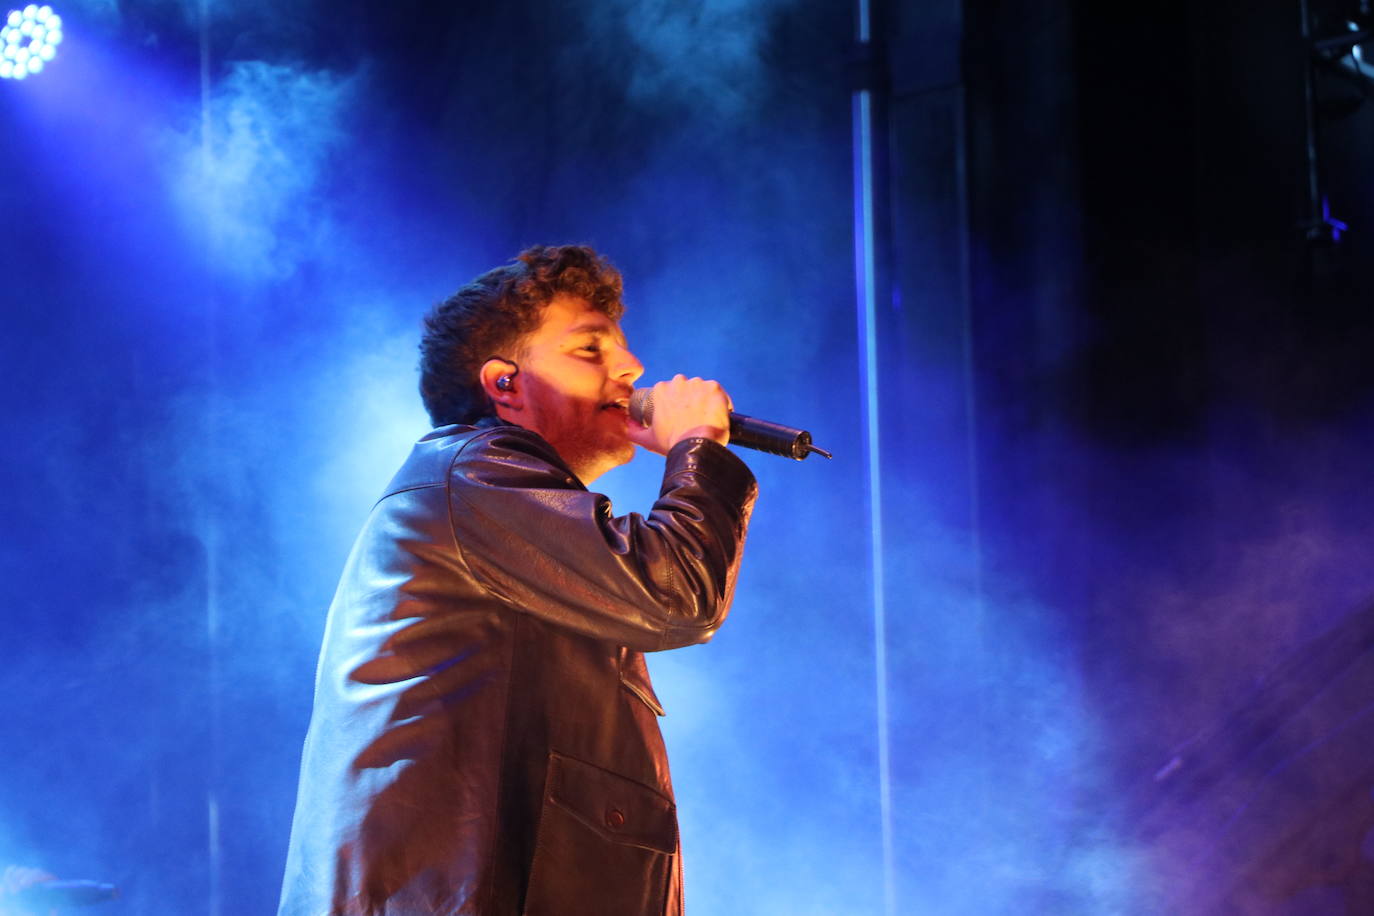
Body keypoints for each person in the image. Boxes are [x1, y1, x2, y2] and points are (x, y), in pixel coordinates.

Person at [278, 245, 757, 916]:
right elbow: (677, 594)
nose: (633, 368)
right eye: (589, 350)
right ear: (504, 385)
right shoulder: (474, 474)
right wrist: (698, 447)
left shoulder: (511, 508)